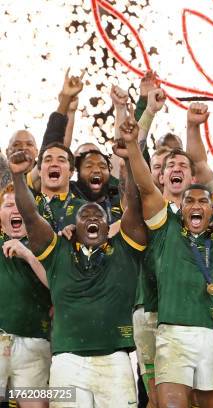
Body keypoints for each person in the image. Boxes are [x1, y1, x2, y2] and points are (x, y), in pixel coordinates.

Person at [8, 110, 147, 406]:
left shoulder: (124, 250)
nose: (91, 217)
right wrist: (18, 177)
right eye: (85, 216)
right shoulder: (58, 253)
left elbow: (134, 204)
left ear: (109, 226)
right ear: (72, 227)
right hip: (67, 360)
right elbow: (30, 216)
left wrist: (132, 159)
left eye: (98, 214)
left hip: (117, 360)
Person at [125, 102, 213, 408]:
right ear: (161, 176)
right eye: (169, 165)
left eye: (183, 166)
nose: (176, 168)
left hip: (199, 313)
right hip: (150, 308)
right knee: (158, 396)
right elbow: (138, 186)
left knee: (200, 397)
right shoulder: (154, 212)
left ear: (192, 177)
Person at [0, 184, 52, 408]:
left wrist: (29, 256)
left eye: (23, 205)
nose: (16, 210)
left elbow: (59, 286)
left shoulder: (48, 247)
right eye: (9, 204)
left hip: (35, 342)